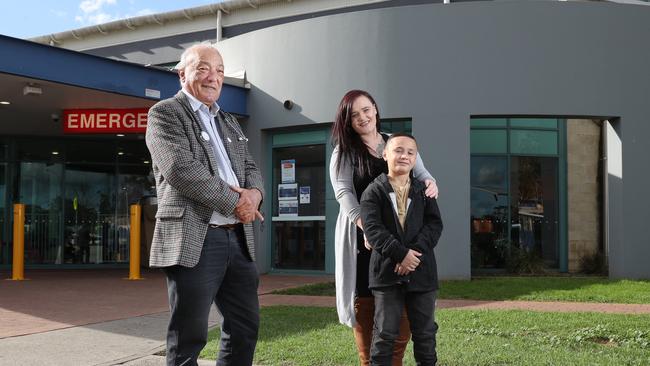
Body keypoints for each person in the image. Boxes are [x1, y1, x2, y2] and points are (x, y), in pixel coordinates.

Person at [145, 43, 264, 366]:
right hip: (196, 238)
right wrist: (235, 202)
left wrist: (254, 196)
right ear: (182, 74)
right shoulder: (165, 113)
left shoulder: (228, 121)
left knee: (244, 328)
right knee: (189, 336)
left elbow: (250, 168)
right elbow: (181, 170)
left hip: (237, 238)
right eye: (203, 69)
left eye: (220, 70)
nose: (213, 77)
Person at [329, 90, 439, 365]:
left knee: (402, 325)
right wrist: (366, 227)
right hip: (364, 239)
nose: (362, 117)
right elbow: (344, 193)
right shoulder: (344, 152)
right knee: (371, 319)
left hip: (404, 238)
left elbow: (422, 174)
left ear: (376, 109)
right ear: (348, 121)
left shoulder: (397, 143)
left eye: (366, 110)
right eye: (354, 115)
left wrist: (432, 182)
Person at [360, 133, 443, 365]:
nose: (404, 156)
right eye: (398, 150)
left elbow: (435, 225)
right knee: (385, 336)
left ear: (415, 158)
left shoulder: (425, 191)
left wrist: (413, 254)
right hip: (386, 275)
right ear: (384, 154)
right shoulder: (372, 192)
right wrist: (400, 255)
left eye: (410, 152)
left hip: (422, 273)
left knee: (426, 336)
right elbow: (373, 230)